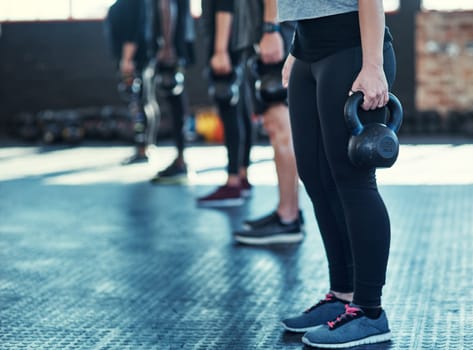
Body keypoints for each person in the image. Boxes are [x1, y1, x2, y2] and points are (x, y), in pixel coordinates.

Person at [276, 0, 396, 348]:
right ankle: (342, 295)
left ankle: (370, 312)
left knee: (354, 182)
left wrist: (372, 64)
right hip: (307, 49)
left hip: (352, 49)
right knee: (316, 178)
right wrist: (297, 49)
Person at [233, 4, 303, 245]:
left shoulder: (273, 29)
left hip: (275, 32)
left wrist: (270, 27)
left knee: (279, 128)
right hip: (268, 32)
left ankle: (287, 217)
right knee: (281, 129)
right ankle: (289, 209)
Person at [105, 0, 194, 185]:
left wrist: (167, 47)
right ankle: (158, 151)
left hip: (169, 50)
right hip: (169, 47)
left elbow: (166, 6)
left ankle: (179, 161)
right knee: (152, 100)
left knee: (170, 100)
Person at [197, 0, 255, 207]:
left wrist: (220, 50)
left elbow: (224, 7)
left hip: (227, 48)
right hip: (238, 45)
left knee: (231, 112)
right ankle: (242, 175)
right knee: (241, 109)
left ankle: (233, 182)